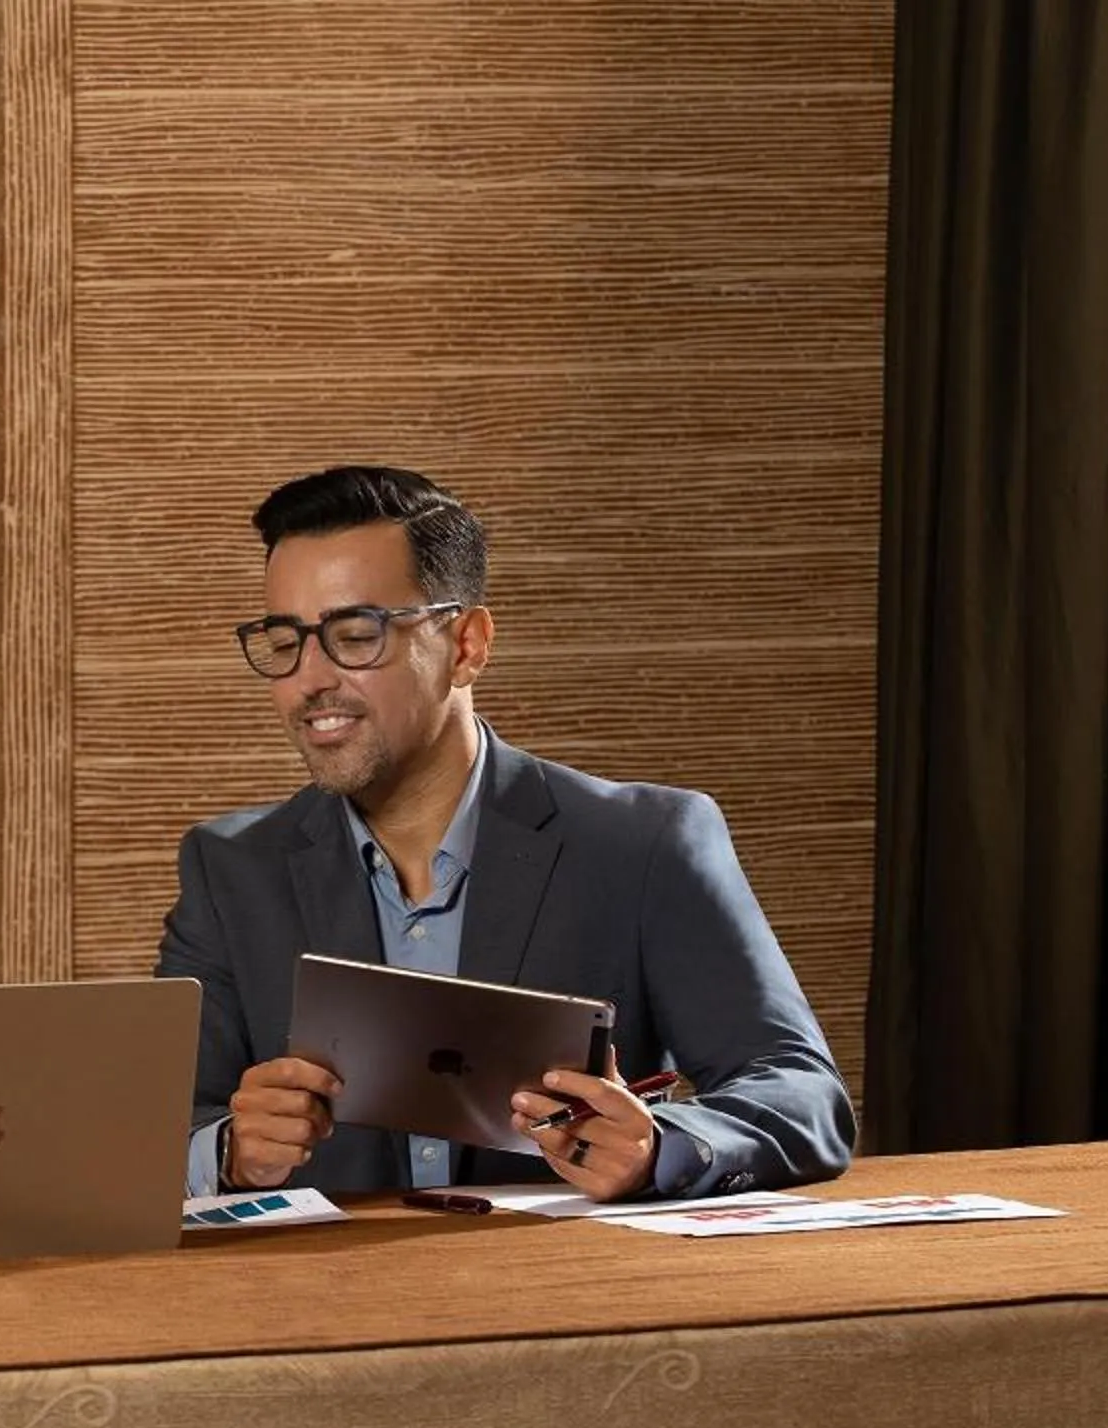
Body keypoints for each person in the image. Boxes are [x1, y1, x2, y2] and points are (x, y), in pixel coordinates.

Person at [158, 467, 854, 1201]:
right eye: (285, 642)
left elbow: (803, 1097)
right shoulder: (232, 868)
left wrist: (658, 1147)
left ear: (466, 645)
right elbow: (148, 1132)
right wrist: (231, 1151)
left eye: (355, 636)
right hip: (322, 1305)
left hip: (570, 1294)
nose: (310, 679)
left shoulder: (643, 843)